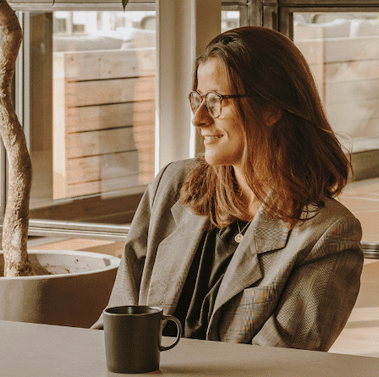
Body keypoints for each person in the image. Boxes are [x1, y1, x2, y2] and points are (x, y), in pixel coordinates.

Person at [103, 26, 362, 351]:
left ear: (271, 107)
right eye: (197, 99)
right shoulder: (171, 185)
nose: (198, 118)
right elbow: (112, 330)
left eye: (215, 101)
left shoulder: (327, 236)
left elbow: (276, 369)